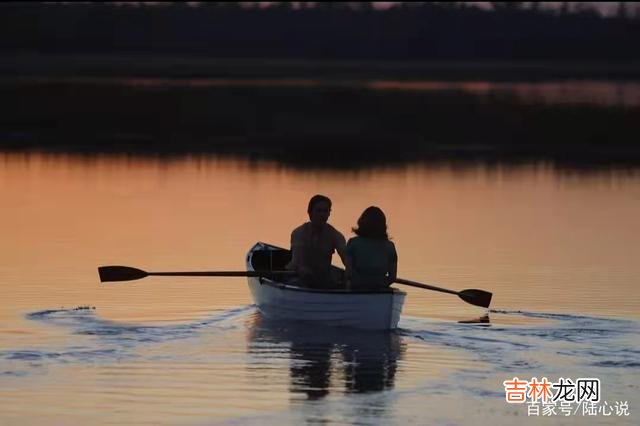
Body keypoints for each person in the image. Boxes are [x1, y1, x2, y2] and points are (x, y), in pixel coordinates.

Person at [287, 194, 351, 289]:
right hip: (297, 275)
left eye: (326, 211)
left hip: (323, 276)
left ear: (329, 213)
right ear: (310, 213)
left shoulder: (335, 235)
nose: (322, 215)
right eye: (318, 211)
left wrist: (351, 273)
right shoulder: (299, 233)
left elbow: (346, 258)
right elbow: (300, 264)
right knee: (298, 281)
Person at [346, 206, 397, 290]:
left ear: (362, 223)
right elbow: (392, 278)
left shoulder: (352, 243)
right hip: (381, 287)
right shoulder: (390, 246)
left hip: (358, 287)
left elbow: (349, 274)